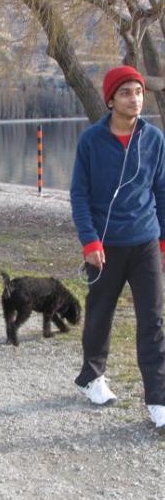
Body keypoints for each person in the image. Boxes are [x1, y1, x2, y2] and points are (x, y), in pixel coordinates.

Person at [70, 65, 165, 428]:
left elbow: (162, 191)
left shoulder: (154, 139)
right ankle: (93, 377)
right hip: (104, 246)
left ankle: (158, 400)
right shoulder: (91, 141)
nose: (135, 99)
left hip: (145, 243)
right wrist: (89, 240)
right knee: (100, 314)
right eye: (126, 92)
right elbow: (79, 194)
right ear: (110, 100)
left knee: (152, 321)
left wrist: (164, 240)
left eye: (139, 92)